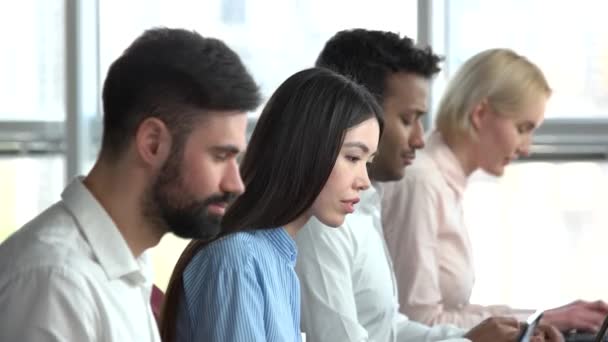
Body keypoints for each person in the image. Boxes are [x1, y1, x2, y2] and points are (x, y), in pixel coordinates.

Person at [294, 29, 564, 342]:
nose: (420, 139)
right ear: (355, 114)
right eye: (408, 120)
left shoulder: (367, 202)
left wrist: (476, 338)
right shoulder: (324, 222)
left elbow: (389, 329)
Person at [0, 27, 260, 341]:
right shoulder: (56, 281)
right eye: (221, 156)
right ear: (152, 143)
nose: (236, 184)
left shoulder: (126, 265)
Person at [381, 48, 608, 332]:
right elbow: (419, 322)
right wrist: (539, 322)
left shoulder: (445, 182)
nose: (526, 148)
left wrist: (544, 315)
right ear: (480, 114)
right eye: (523, 128)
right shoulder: (421, 181)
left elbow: (453, 313)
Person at [159, 67, 383, 342]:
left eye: (368, 162)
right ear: (306, 149)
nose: (364, 181)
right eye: (352, 158)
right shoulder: (239, 261)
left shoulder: (277, 259)